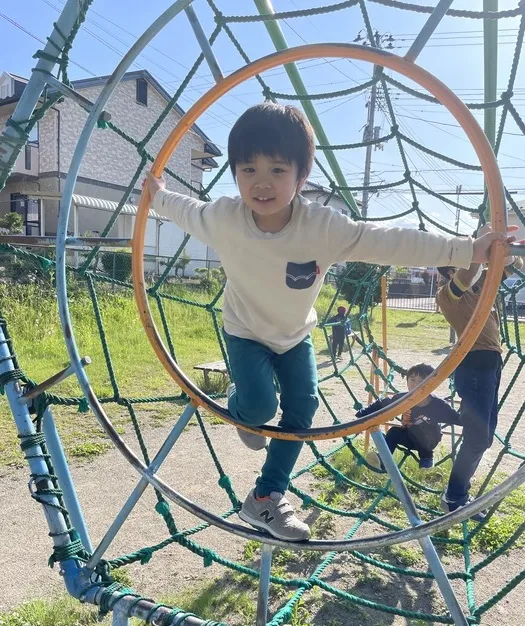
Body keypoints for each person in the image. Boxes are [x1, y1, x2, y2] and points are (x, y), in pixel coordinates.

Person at [144, 103, 516, 541]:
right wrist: (157, 194)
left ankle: (265, 498)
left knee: (303, 407)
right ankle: (242, 403)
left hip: (296, 335)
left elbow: (389, 241)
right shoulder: (224, 217)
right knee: (260, 408)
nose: (261, 182)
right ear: (235, 173)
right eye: (248, 169)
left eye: (278, 170)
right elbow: (182, 209)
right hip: (245, 332)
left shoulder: (322, 227)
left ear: (302, 177)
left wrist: (467, 250)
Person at [436, 249, 523, 520]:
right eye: (459, 266)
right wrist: (479, 253)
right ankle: (454, 497)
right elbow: (468, 273)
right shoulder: (447, 295)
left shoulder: (482, 287)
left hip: (490, 365)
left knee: (484, 437)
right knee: (477, 438)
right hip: (472, 364)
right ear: (450, 272)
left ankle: (458, 493)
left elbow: (516, 265)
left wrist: (507, 253)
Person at [356, 363, 461, 470]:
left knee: (414, 428)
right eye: (412, 380)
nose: (416, 385)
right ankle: (383, 461)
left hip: (429, 440)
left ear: (432, 384)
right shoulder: (402, 398)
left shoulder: (438, 405)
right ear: (407, 381)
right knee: (393, 432)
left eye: (422, 381)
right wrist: (362, 414)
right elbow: (382, 403)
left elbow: (457, 418)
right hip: (409, 438)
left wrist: (470, 419)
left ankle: (427, 458)